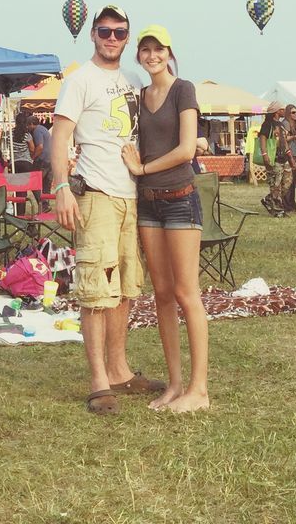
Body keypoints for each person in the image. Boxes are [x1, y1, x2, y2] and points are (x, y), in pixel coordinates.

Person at [51, 4, 163, 416]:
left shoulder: (135, 80)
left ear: (128, 37)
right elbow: (59, 136)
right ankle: (99, 379)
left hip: (132, 195)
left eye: (119, 32)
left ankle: (120, 369)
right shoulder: (79, 80)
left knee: (125, 289)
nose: (111, 38)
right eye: (104, 31)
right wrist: (61, 186)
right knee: (96, 290)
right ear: (93, 35)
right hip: (96, 193)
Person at [121, 26, 208, 413]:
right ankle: (174, 384)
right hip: (148, 205)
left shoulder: (182, 89)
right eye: (145, 49)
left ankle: (199, 389)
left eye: (158, 49)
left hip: (179, 199)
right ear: (138, 54)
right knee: (161, 296)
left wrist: (144, 169)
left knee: (187, 295)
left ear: (169, 52)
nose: (152, 55)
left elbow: (187, 149)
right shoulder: (139, 97)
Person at [258, 102, 294, 217]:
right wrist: (264, 154)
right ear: (277, 111)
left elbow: (284, 142)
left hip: (284, 157)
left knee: (287, 183)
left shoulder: (281, 125)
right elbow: (262, 138)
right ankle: (278, 211)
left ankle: (269, 199)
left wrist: (291, 158)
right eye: (282, 109)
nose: (284, 111)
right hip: (274, 158)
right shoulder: (267, 124)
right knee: (276, 184)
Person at [282, 105, 296, 214]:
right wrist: (295, 136)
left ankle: (291, 204)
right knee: (288, 180)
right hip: (288, 154)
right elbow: (284, 138)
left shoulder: (295, 123)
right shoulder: (285, 123)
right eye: (293, 112)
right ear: (288, 113)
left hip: (294, 153)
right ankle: (287, 205)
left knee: (293, 180)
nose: (295, 114)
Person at [29, 115, 52, 192]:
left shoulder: (37, 131)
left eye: (28, 125)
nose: (27, 127)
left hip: (42, 160)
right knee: (46, 185)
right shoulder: (43, 129)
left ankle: (39, 201)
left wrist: (33, 158)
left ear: (32, 124)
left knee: (34, 183)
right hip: (50, 160)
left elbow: (40, 147)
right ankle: (45, 203)